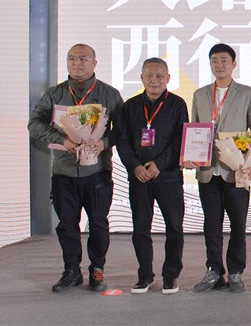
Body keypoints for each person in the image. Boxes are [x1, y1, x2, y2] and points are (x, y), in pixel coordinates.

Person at [28, 44, 123, 292]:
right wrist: (63, 141)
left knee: (99, 223)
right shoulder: (54, 94)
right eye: (71, 59)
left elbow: (123, 130)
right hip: (64, 172)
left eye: (82, 59)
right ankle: (71, 270)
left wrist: (103, 143)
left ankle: (97, 269)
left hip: (98, 172)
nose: (76, 63)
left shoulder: (109, 94)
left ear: (94, 63)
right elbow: (34, 124)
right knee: (67, 224)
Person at [188, 43, 251, 293]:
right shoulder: (200, 94)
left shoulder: (247, 93)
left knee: (238, 224)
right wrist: (191, 155)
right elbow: (195, 129)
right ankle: (214, 270)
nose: (219, 65)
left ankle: (236, 272)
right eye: (215, 61)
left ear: (233, 64)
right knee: (211, 224)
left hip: (236, 171)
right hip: (208, 171)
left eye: (224, 60)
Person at [113, 58, 189, 294]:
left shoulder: (177, 104)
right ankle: (145, 275)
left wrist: (159, 164)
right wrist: (135, 166)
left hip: (168, 176)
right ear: (142, 78)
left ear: (168, 79)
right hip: (139, 178)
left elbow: (180, 139)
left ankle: (170, 275)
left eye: (159, 76)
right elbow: (122, 140)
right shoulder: (130, 106)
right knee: (140, 227)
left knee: (174, 227)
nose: (154, 80)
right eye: (149, 75)